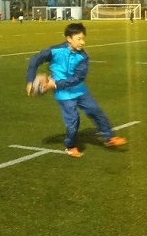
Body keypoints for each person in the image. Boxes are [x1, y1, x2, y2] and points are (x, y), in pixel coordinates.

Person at [26, 22, 127, 158]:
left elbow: (77, 78)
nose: (82, 42)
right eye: (78, 39)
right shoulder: (54, 51)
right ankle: (70, 146)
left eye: (83, 38)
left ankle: (109, 138)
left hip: (79, 90)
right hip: (64, 95)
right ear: (69, 38)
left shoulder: (83, 57)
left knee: (96, 111)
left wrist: (54, 85)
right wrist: (30, 80)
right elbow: (34, 60)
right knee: (73, 121)